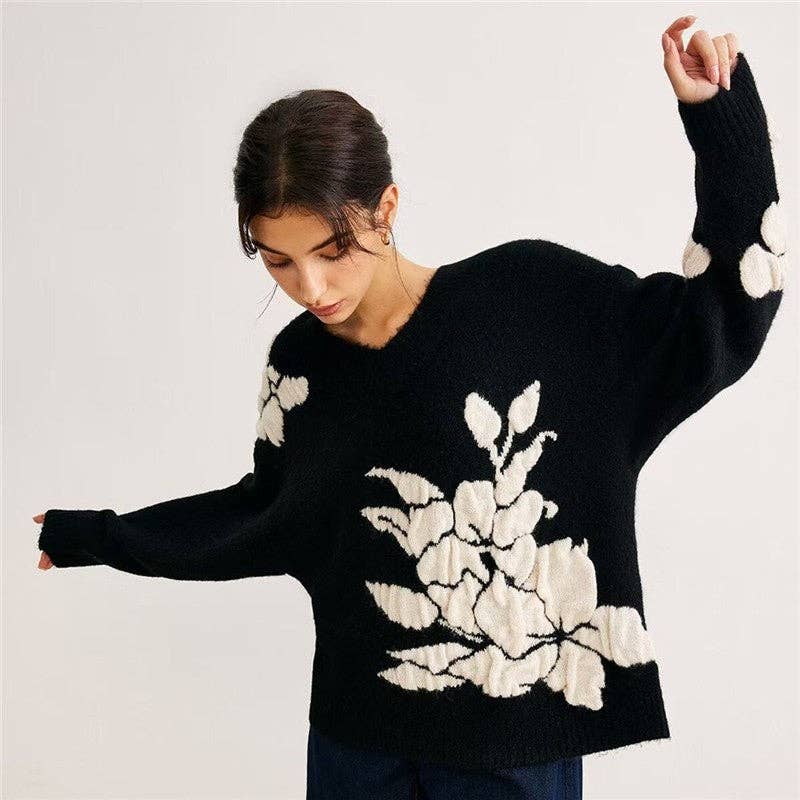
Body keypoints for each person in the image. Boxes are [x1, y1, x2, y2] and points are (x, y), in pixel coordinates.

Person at [35, 14, 787, 800]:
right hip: (354, 745)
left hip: (511, 747)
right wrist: (100, 536)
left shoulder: (532, 300)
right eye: (279, 261)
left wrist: (720, 120)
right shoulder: (299, 367)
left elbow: (721, 316)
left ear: (386, 207)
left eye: (331, 250)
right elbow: (264, 515)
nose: (310, 288)